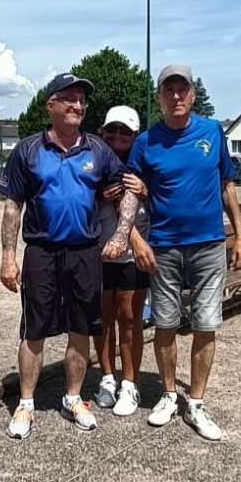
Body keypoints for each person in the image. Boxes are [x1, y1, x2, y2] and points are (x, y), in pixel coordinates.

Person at [0, 73, 139, 439]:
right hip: (42, 251)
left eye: (82, 100)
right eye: (70, 98)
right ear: (51, 105)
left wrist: (121, 235)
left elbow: (130, 189)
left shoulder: (98, 149)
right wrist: (8, 257)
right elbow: (13, 206)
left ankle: (73, 398)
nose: (78, 105)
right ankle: (26, 403)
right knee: (34, 329)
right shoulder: (28, 150)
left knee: (80, 328)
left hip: (84, 251)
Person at [127, 64, 241, 441]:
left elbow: (227, 184)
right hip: (163, 246)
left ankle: (195, 402)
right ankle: (168, 394)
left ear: (193, 96)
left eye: (182, 89)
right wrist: (135, 238)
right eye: (169, 90)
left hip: (209, 244)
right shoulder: (146, 142)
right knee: (165, 324)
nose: (176, 96)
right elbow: (130, 194)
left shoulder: (211, 132)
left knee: (206, 324)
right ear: (159, 97)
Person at [94, 105, 153, 417]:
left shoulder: (145, 163)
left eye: (125, 131)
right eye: (112, 129)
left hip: (132, 256)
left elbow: (164, 205)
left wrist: (146, 192)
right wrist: (98, 197)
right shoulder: (93, 160)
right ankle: (107, 378)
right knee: (102, 319)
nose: (117, 135)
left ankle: (130, 383)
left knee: (129, 318)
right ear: (103, 131)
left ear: (135, 135)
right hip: (99, 252)